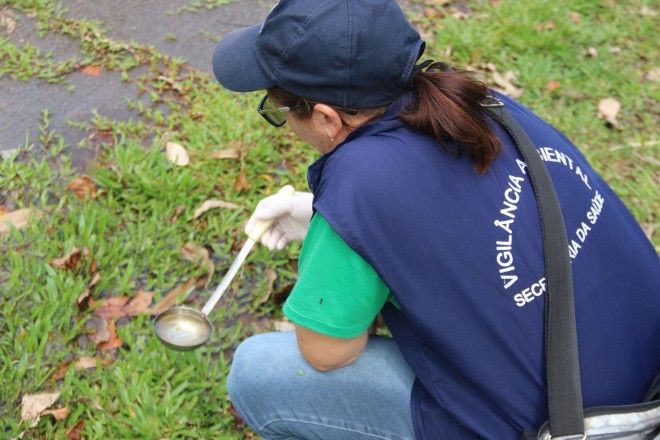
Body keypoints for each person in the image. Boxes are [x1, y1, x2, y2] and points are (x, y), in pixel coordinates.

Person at [211, 1, 660, 439]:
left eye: (279, 110)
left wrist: (335, 242)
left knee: (258, 372)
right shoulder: (479, 107)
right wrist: (323, 220)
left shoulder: (360, 185)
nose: (283, 120)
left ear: (327, 119)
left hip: (566, 427)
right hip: (643, 375)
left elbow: (326, 352)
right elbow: (457, 221)